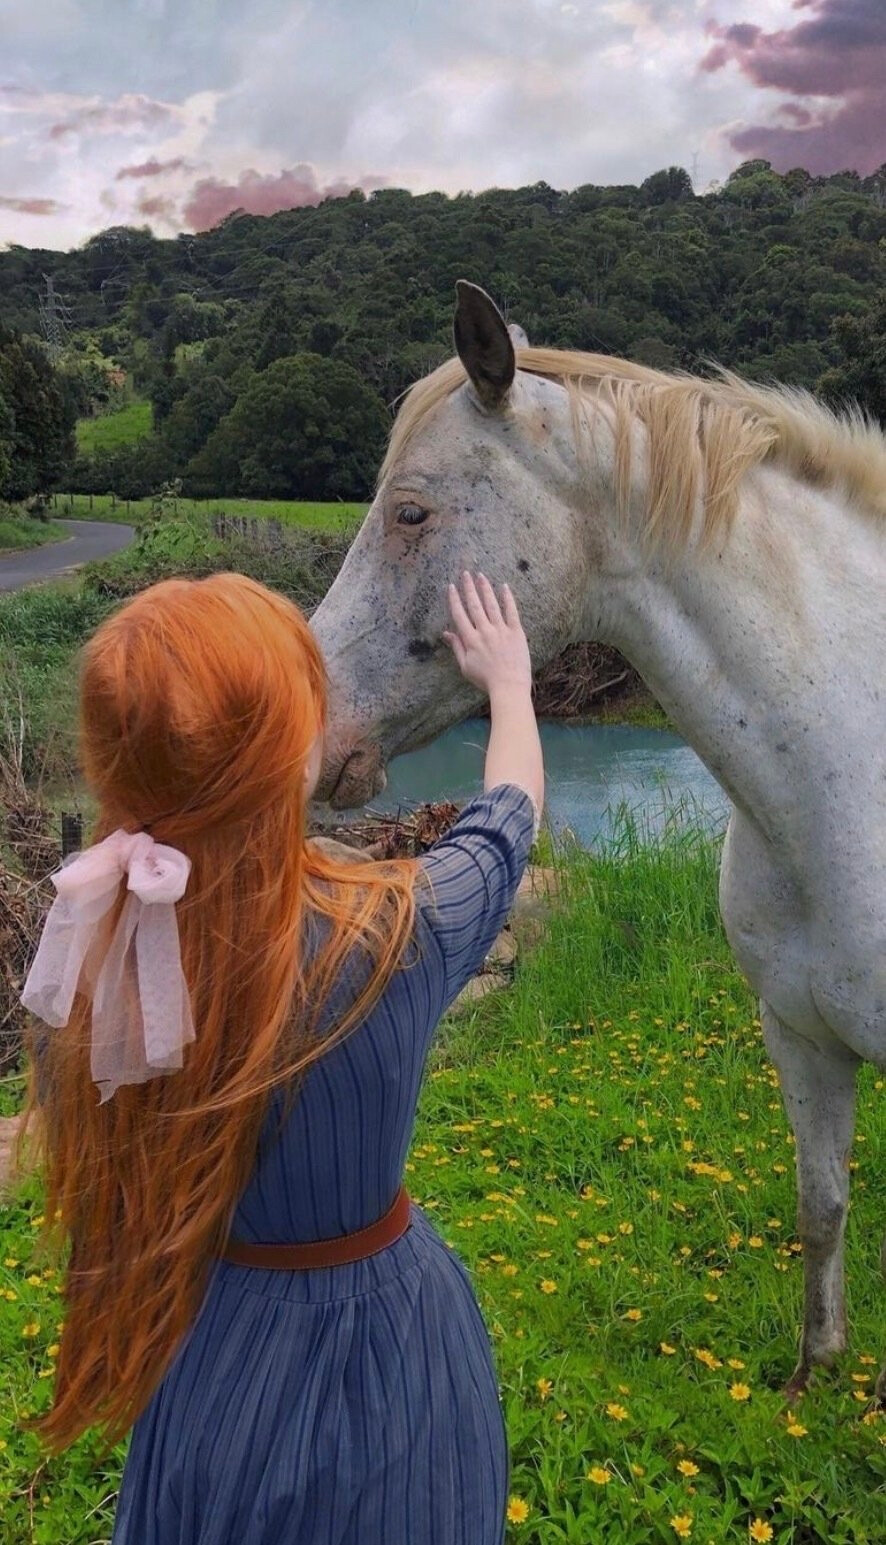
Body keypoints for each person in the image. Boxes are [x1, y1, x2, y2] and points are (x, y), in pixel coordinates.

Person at [19, 568, 544, 1545]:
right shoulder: (393, 936)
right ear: (291, 759)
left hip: (208, 1342)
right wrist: (507, 685)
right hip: (388, 1345)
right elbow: (505, 821)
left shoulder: (87, 964)